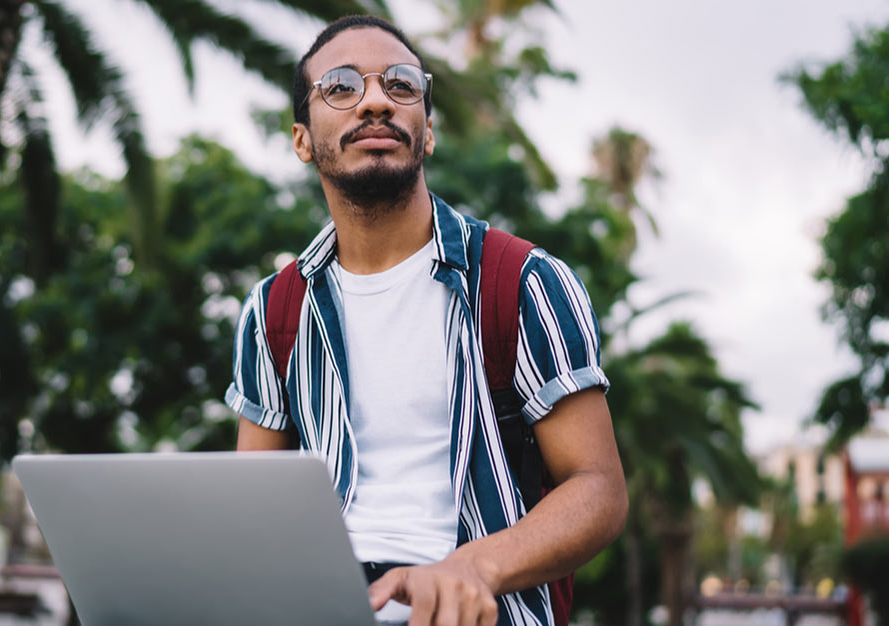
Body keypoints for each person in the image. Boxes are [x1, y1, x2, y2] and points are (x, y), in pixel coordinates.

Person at [226, 15, 627, 626]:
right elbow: (251, 512)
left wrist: (477, 567)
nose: (377, 101)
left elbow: (598, 488)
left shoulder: (523, 282)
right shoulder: (273, 310)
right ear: (303, 139)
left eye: (402, 85)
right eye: (340, 87)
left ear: (428, 132)